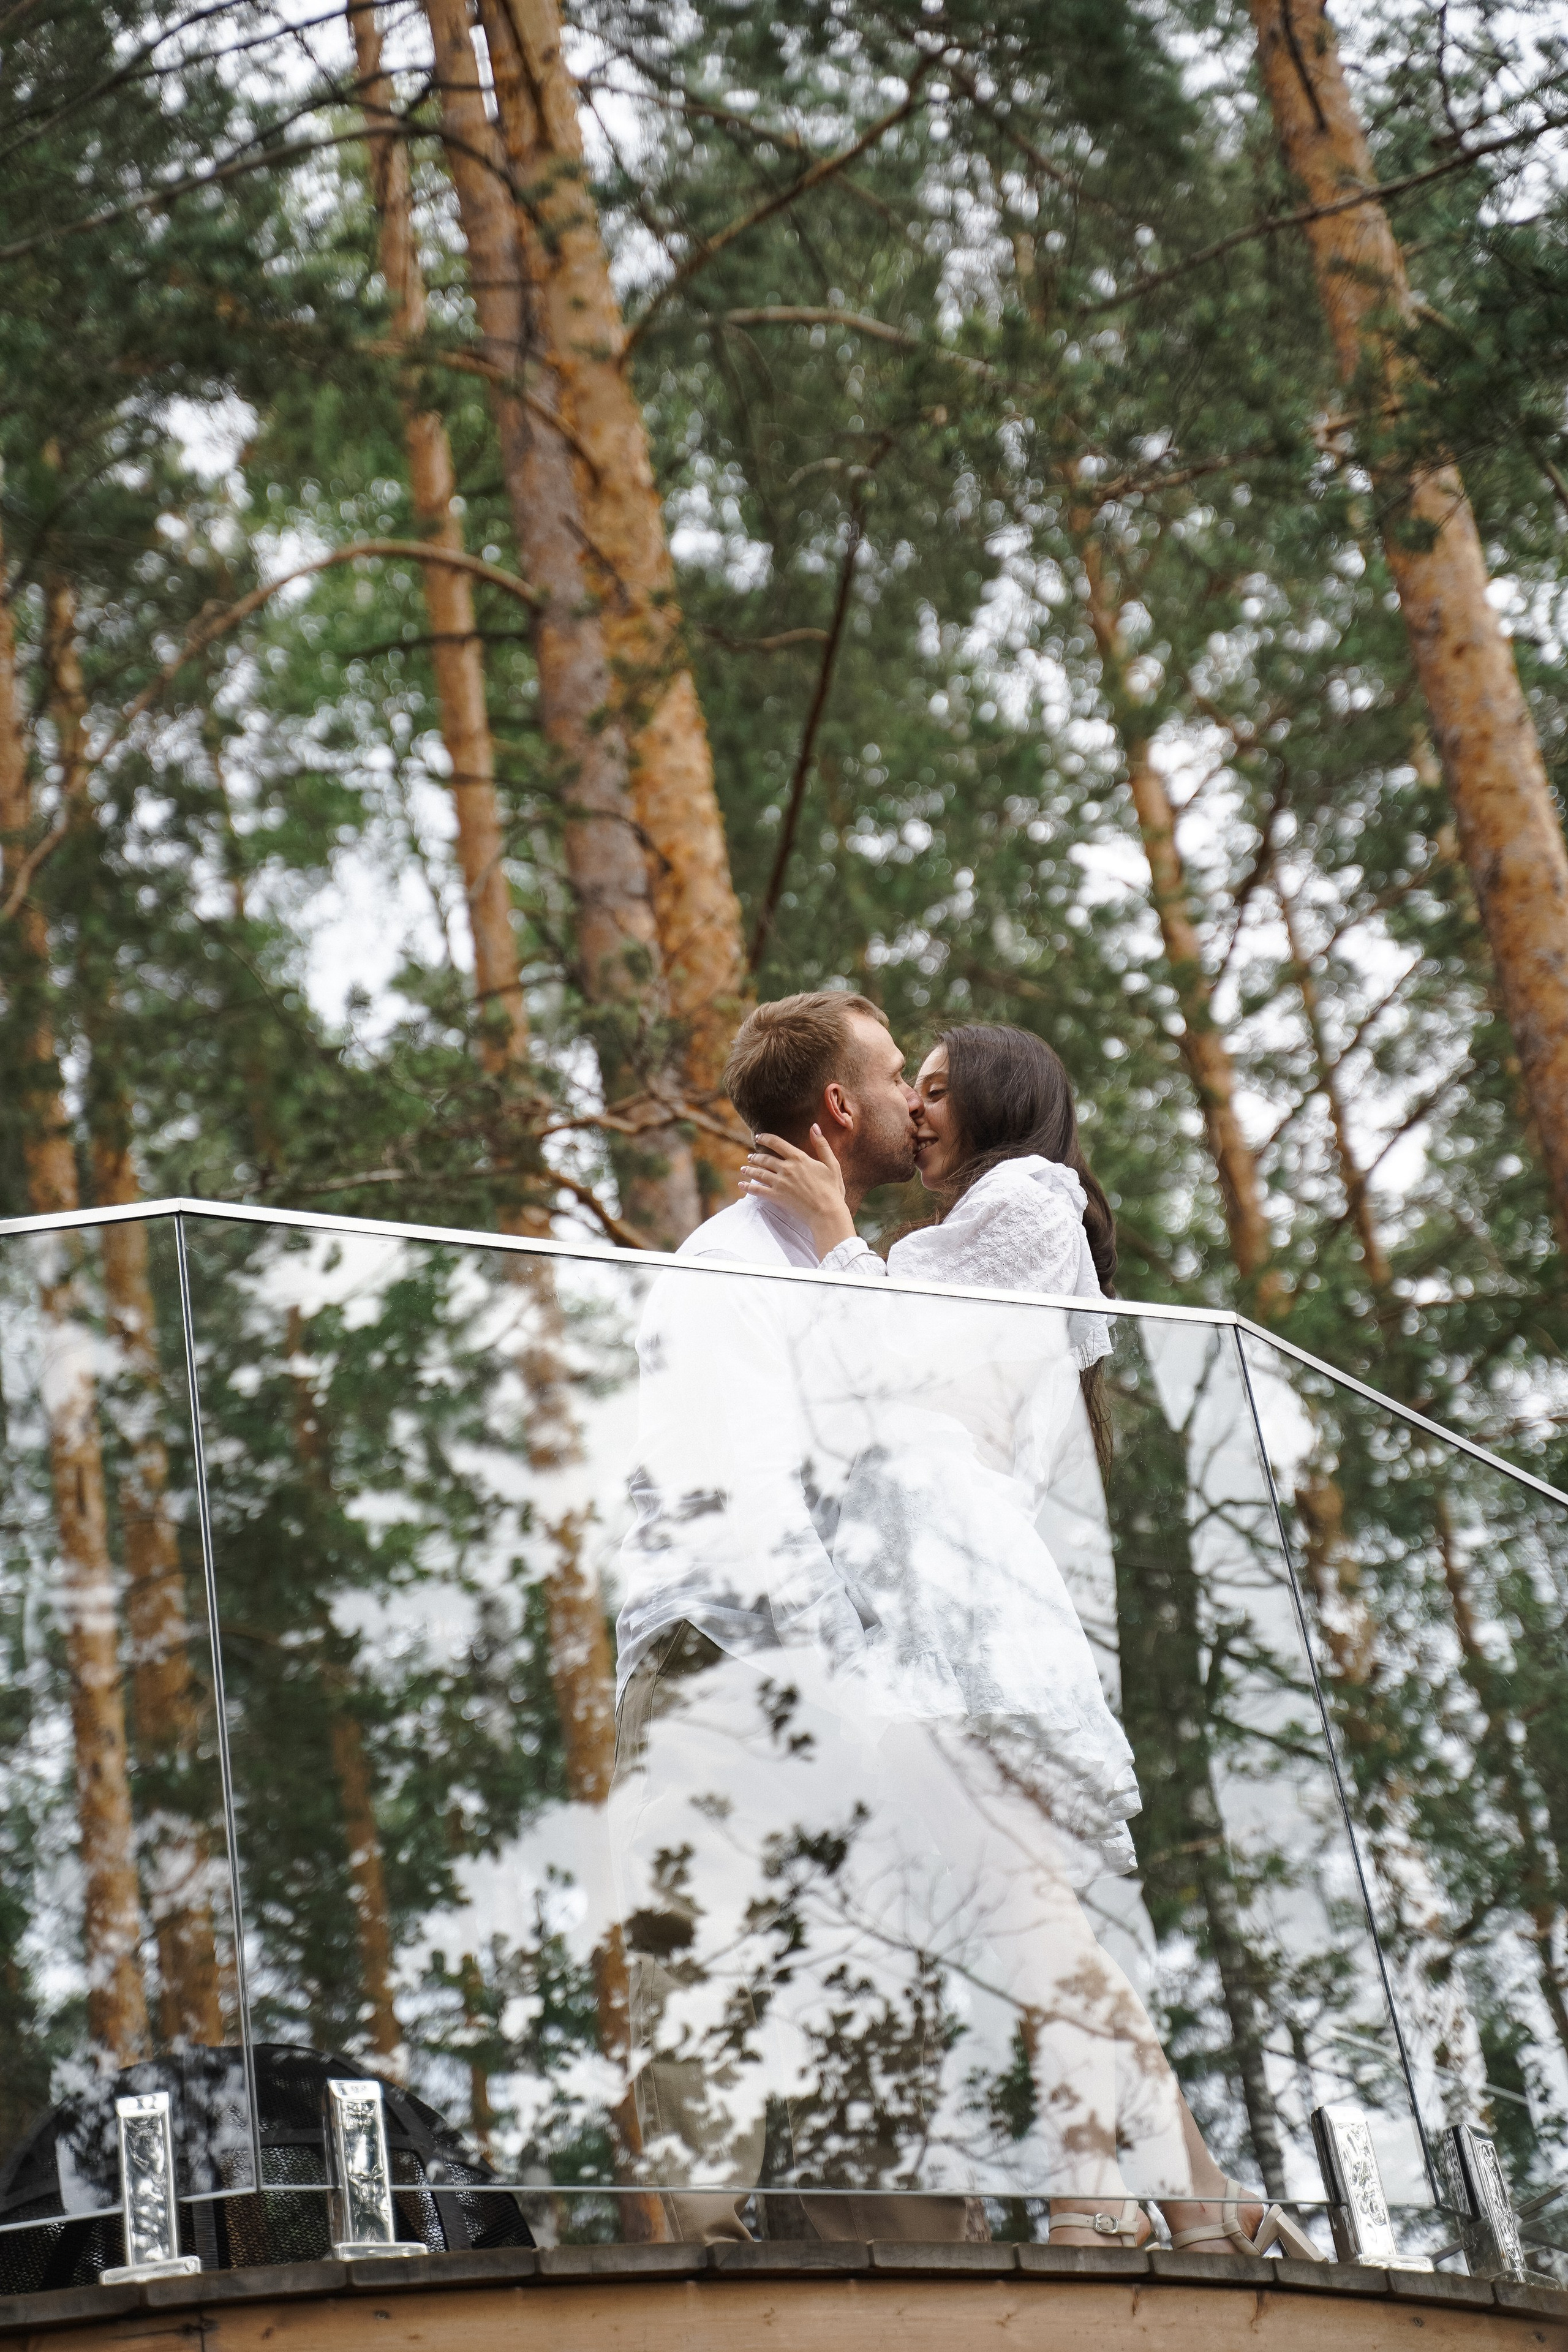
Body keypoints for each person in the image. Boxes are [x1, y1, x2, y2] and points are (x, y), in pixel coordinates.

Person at [611, 1003, 1317, 2261]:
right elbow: (734, 1491)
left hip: (924, 1635)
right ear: (840, 1108)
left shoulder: (983, 1221)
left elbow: (905, 1415)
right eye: (899, 1078)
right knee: (808, 1941)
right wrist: (842, 1668)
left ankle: (1083, 2208)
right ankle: (1151, 2198)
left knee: (994, 1915)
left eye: (933, 1084)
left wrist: (861, 1678)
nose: (914, 1102)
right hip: (744, 1655)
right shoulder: (741, 1262)